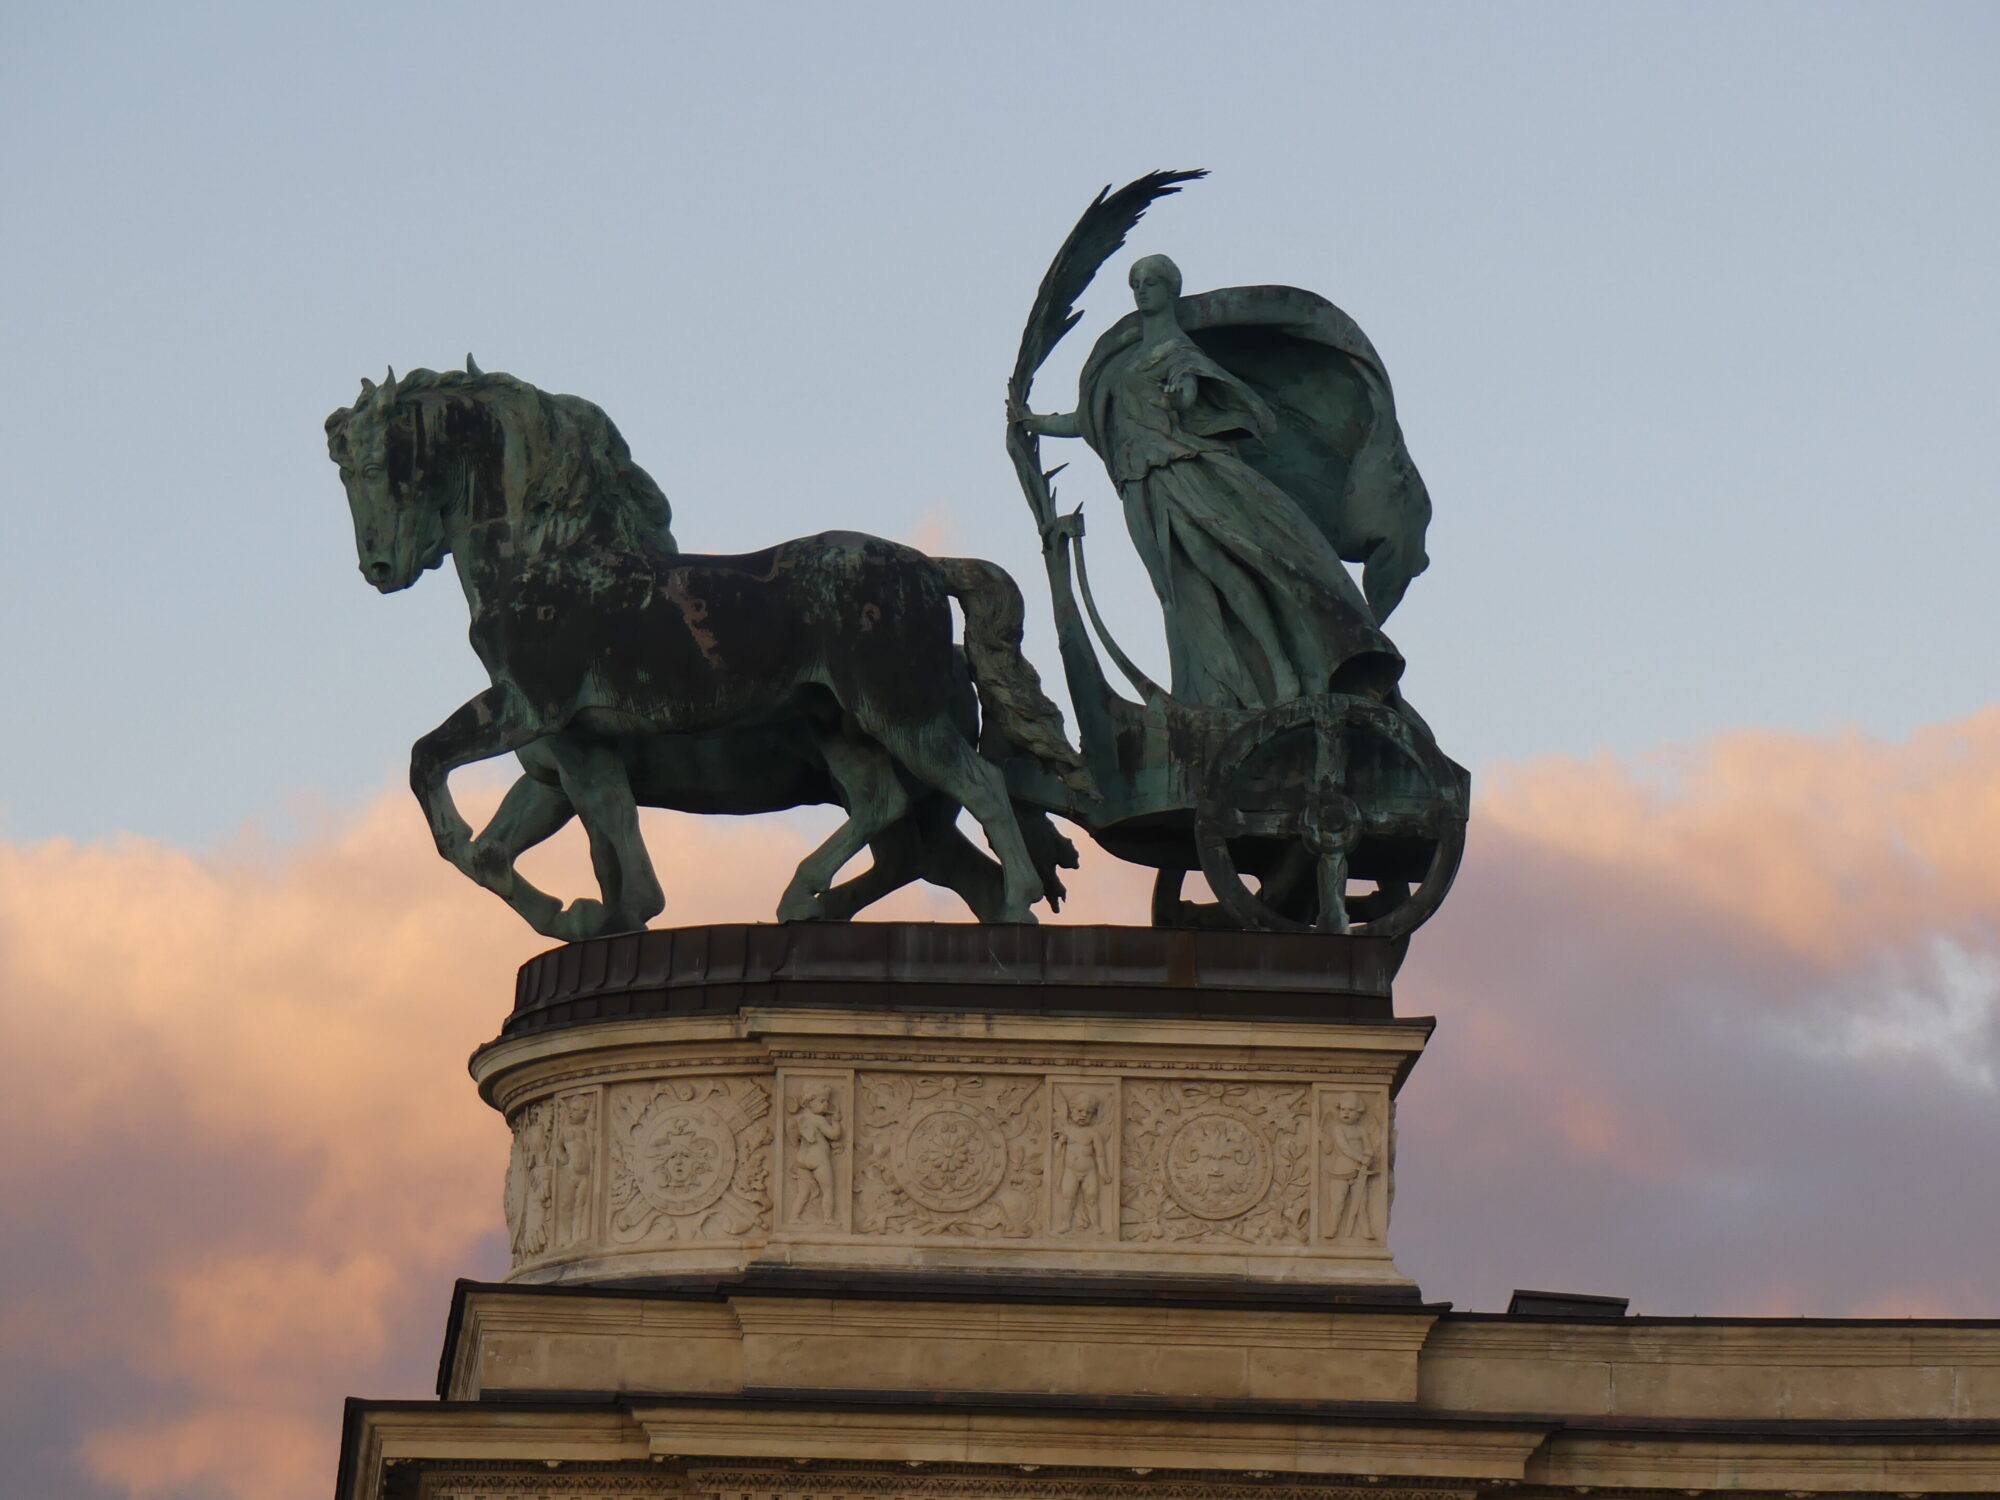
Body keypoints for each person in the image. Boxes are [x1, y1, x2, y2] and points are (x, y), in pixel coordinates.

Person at [1015, 254, 1402, 711]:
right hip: (1141, 486)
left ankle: (1281, 671)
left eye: (1151, 282)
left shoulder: (1178, 352)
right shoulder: (1123, 363)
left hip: (1186, 472)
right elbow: (1088, 419)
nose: (1141, 290)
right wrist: (1032, 421)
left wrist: (1182, 395)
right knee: (1177, 591)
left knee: (1225, 569)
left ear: (1171, 290)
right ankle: (1211, 687)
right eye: (1135, 283)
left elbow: (1191, 386)